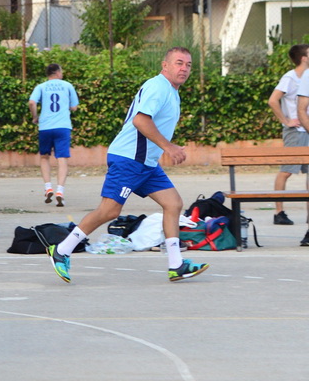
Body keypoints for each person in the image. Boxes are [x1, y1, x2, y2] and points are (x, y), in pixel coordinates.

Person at [46, 47, 208, 283]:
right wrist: (169, 147)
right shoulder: (158, 86)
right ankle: (61, 250)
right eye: (179, 63)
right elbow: (140, 120)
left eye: (188, 65)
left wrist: (162, 149)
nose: (184, 68)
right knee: (109, 211)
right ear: (165, 65)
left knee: (173, 204)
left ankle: (177, 265)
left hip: (146, 163)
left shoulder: (172, 91)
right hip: (128, 159)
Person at [267, 44, 309, 229]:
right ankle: (279, 212)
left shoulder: (307, 77)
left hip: (307, 130)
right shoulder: (290, 77)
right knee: (287, 170)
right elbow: (272, 100)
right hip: (295, 132)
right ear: (303, 58)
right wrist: (286, 121)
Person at [28, 63, 79, 206]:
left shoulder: (41, 87)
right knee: (62, 158)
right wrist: (68, 106)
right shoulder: (67, 86)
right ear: (57, 72)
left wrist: (35, 117)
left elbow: (32, 102)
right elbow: (74, 107)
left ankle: (48, 187)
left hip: (45, 126)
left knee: (44, 157)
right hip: (62, 126)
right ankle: (60, 191)